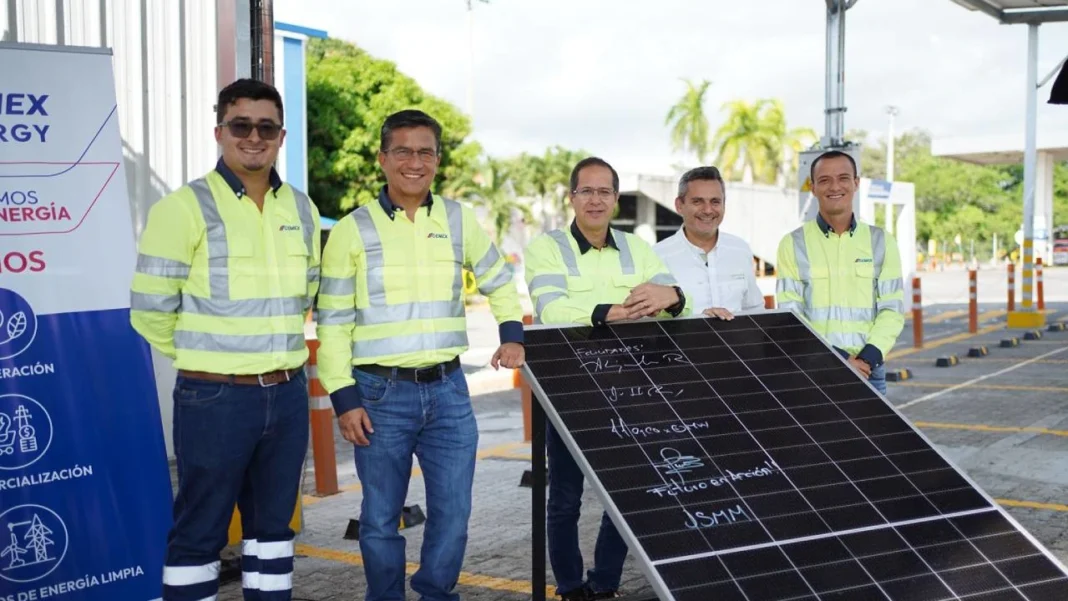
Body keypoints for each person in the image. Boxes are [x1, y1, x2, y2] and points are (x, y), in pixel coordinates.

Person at [315, 109, 525, 601]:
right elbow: (333, 321)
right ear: (383, 159)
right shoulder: (351, 229)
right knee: (381, 517)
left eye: (425, 152)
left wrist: (513, 335)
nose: (415, 162)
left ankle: (437, 593)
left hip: (450, 391)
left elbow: (498, 279)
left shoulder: (457, 219)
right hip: (378, 393)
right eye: (403, 151)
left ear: (437, 160)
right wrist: (344, 398)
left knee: (453, 512)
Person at [130, 78, 320, 601]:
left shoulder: (300, 211)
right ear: (220, 131)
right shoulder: (183, 208)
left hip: (285, 395)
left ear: (281, 136)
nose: (253, 136)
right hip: (214, 398)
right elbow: (149, 311)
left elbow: (308, 292)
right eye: (241, 125)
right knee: (200, 532)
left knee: (274, 533)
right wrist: (206, 359)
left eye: (266, 127)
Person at [524, 157, 688, 600]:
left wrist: (672, 295)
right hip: (569, 389)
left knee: (626, 493)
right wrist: (610, 312)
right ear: (571, 197)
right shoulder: (546, 249)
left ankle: (606, 582)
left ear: (616, 198)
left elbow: (675, 299)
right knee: (565, 499)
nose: (594, 200)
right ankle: (571, 586)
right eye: (586, 191)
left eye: (604, 192)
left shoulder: (637, 247)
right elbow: (551, 310)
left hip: (630, 389)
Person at [775, 150, 906, 395]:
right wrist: (841, 359)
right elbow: (791, 318)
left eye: (843, 178)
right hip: (814, 370)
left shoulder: (882, 241)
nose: (835, 186)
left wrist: (865, 360)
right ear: (812, 187)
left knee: (872, 434)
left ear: (856, 183)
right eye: (824, 180)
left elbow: (892, 309)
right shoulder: (792, 244)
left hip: (869, 371)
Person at [654, 165, 765, 320]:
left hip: (736, 344)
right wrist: (700, 323)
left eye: (715, 202)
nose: (707, 210)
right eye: (697, 201)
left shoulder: (740, 249)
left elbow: (754, 309)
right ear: (679, 205)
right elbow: (651, 320)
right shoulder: (657, 256)